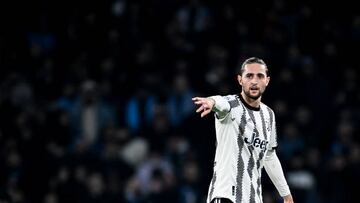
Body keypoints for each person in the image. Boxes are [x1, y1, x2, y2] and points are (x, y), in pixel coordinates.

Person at [192, 57, 294, 203]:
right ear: (240, 80)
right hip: (227, 196)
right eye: (249, 76)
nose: (254, 81)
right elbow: (221, 102)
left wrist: (286, 195)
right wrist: (212, 101)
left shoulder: (269, 114)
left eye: (260, 76)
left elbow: (269, 156)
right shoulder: (232, 106)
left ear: (267, 81)